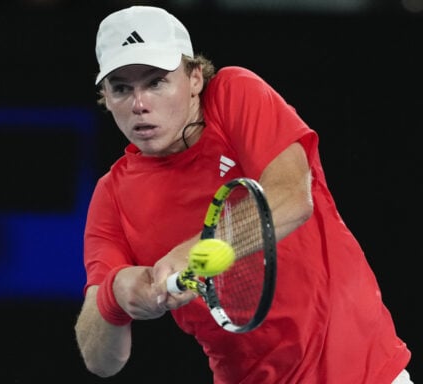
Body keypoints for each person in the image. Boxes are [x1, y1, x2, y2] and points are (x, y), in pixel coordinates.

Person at [74, 5, 412, 383]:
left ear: (196, 78)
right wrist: (115, 298)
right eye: (121, 88)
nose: (139, 104)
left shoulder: (234, 94)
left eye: (156, 82)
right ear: (105, 95)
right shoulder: (112, 196)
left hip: (366, 371)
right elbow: (100, 359)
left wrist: (196, 251)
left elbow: (292, 198)